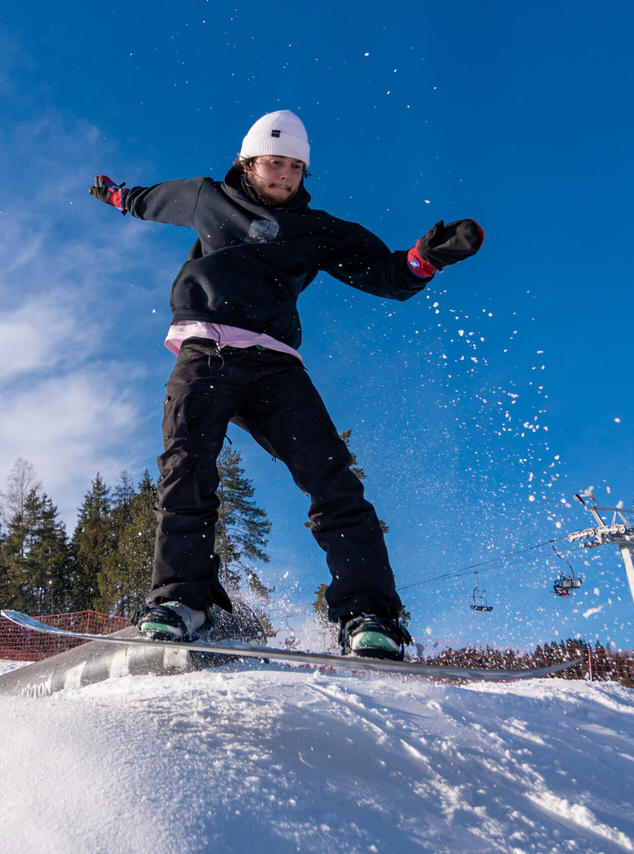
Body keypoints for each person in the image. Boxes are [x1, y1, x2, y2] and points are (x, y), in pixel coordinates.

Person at [89, 110, 483, 659]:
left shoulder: (316, 230)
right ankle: (181, 602)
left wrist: (425, 260)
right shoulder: (207, 197)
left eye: (295, 168)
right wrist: (116, 195)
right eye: (274, 164)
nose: (284, 177)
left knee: (333, 477)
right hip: (207, 351)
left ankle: (367, 615)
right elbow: (149, 200)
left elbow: (388, 274)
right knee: (187, 463)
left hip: (275, 364)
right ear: (248, 163)